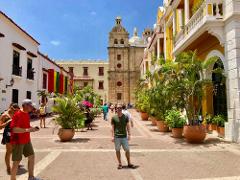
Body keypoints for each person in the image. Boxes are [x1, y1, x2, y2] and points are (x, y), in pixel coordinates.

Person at [10, 99, 40, 180]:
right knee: (16, 162)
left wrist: (32, 128)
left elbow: (26, 126)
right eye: (31, 105)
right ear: (26, 105)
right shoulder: (18, 114)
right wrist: (27, 130)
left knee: (32, 156)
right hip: (18, 141)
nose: (32, 107)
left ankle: (31, 177)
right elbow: (14, 129)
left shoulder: (26, 114)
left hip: (26, 140)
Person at [111, 104, 134, 169]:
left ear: (122, 109)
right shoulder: (113, 118)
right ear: (116, 109)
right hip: (117, 137)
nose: (119, 109)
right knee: (117, 150)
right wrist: (112, 136)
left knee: (127, 150)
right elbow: (112, 128)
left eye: (120, 108)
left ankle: (129, 163)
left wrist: (129, 134)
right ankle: (120, 163)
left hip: (124, 136)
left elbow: (128, 126)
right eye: (118, 108)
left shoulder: (125, 117)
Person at [0, 103, 20, 174]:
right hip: (8, 135)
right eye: (15, 110)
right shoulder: (4, 115)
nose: (16, 112)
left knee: (15, 150)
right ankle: (8, 168)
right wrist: (8, 122)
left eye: (17, 111)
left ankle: (15, 163)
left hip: (16, 134)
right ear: (11, 108)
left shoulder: (16, 114)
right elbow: (0, 127)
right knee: (8, 151)